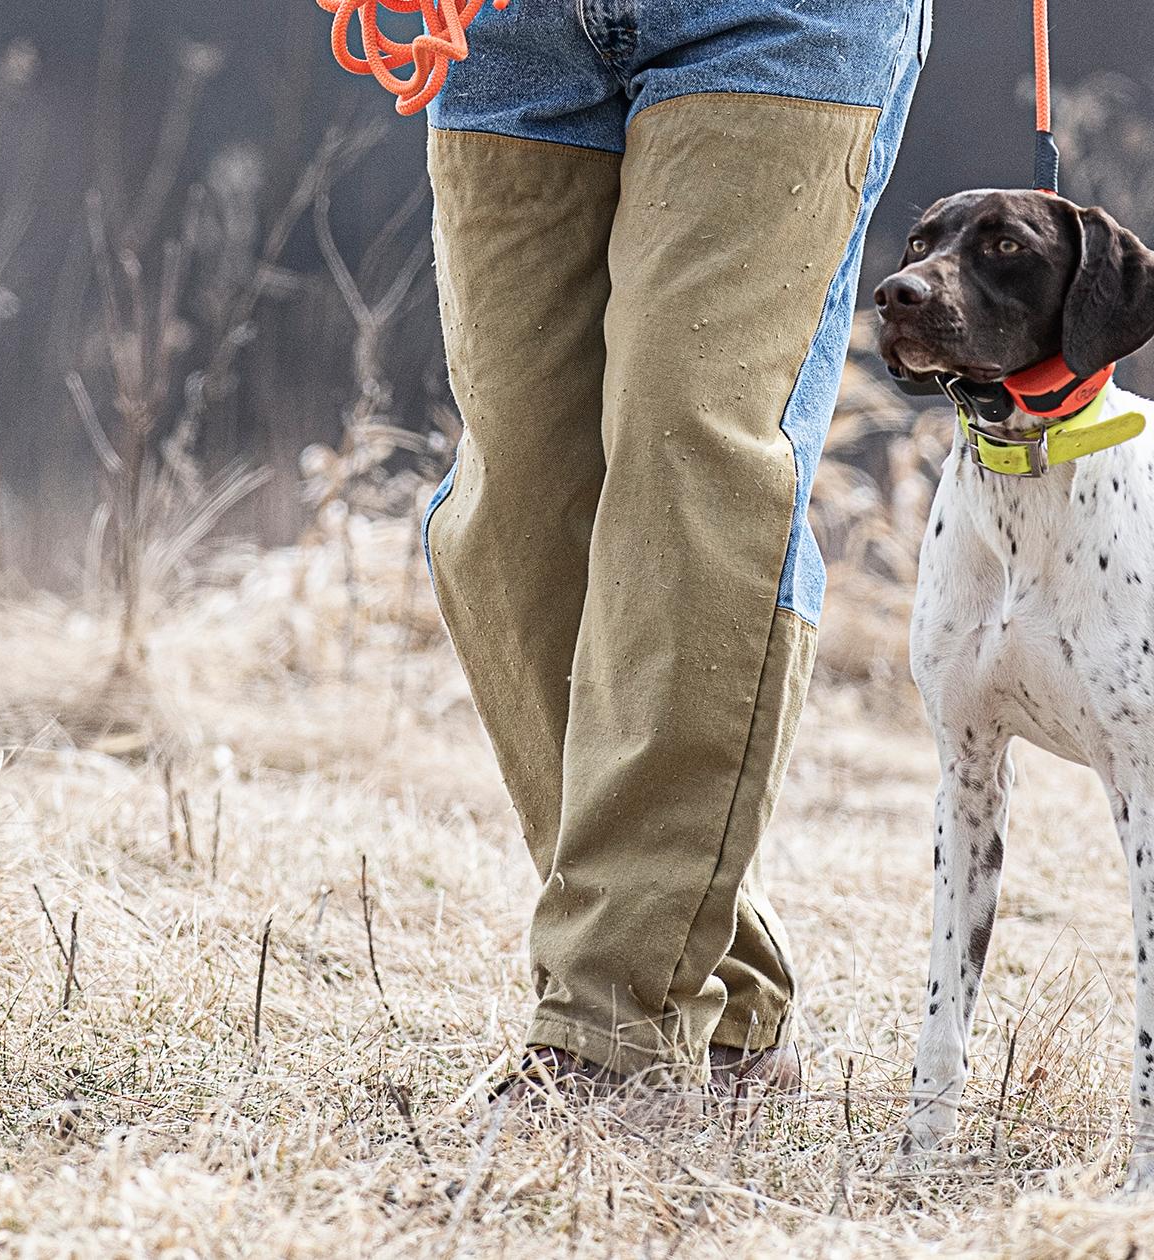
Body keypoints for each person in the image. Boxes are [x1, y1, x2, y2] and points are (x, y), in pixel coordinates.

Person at [419, 0, 928, 1096]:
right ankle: (731, 997)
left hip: (781, 22)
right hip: (505, 26)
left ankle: (609, 1038)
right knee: (509, 510)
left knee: (689, 451)